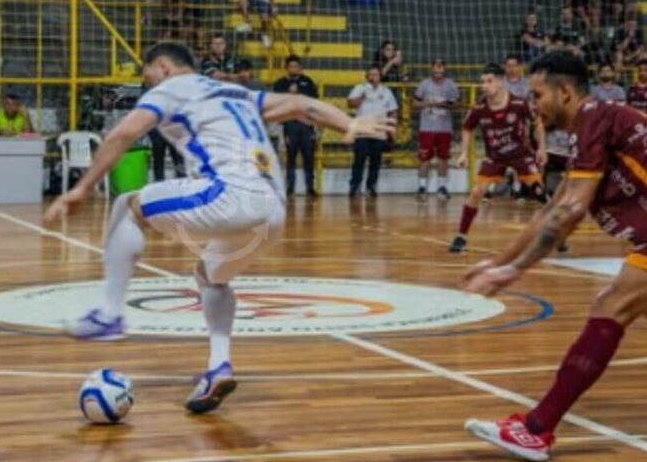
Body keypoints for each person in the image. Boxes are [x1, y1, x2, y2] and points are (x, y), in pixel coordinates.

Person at [46, 42, 392, 414]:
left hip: (228, 194)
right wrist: (350, 122)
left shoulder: (171, 89)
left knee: (126, 206)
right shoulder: (235, 92)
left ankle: (109, 314)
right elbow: (299, 105)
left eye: (147, 76)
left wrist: (82, 187)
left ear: (162, 67)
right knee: (210, 276)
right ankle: (218, 367)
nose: (147, 84)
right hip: (273, 209)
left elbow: (121, 135)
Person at [463, 51, 647, 461]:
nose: (532, 104)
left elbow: (571, 211)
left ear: (565, 92)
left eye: (537, 94)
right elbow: (555, 205)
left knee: (612, 304)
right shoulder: (594, 121)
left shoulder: (594, 118)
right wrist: (499, 263)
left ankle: (535, 430)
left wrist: (513, 271)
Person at [449, 64, 547, 254]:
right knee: (477, 191)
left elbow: (537, 122)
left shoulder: (518, 103)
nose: (484, 86)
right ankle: (461, 236)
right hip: (495, 156)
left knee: (539, 192)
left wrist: (542, 148)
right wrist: (463, 153)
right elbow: (467, 128)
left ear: (500, 82)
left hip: (520, 154)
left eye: (489, 81)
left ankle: (556, 233)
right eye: (482, 82)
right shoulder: (479, 107)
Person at [348, 65, 398, 198]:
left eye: (375, 75)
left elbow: (392, 111)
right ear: (367, 76)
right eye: (370, 75)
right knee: (359, 160)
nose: (372, 77)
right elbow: (350, 103)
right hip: (362, 131)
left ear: (380, 76)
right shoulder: (360, 88)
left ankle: (371, 186)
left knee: (375, 161)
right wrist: (361, 98)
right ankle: (355, 186)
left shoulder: (386, 92)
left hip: (379, 132)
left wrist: (393, 129)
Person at [272, 55, 319, 198]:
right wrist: (289, 94)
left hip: (306, 124)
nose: (294, 69)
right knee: (291, 158)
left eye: (296, 66)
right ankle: (290, 188)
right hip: (289, 124)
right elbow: (276, 103)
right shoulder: (280, 84)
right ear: (286, 68)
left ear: (300, 68)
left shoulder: (308, 82)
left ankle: (310, 187)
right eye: (291, 66)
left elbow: (314, 102)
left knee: (309, 157)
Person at [413, 58, 460, 198]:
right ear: (431, 67)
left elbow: (457, 104)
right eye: (436, 66)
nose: (438, 69)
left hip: (444, 128)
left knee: (443, 159)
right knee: (424, 158)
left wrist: (446, 104)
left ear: (444, 68)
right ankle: (422, 187)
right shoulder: (424, 84)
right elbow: (414, 102)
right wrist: (426, 104)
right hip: (427, 128)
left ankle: (442, 187)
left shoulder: (451, 85)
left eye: (441, 66)